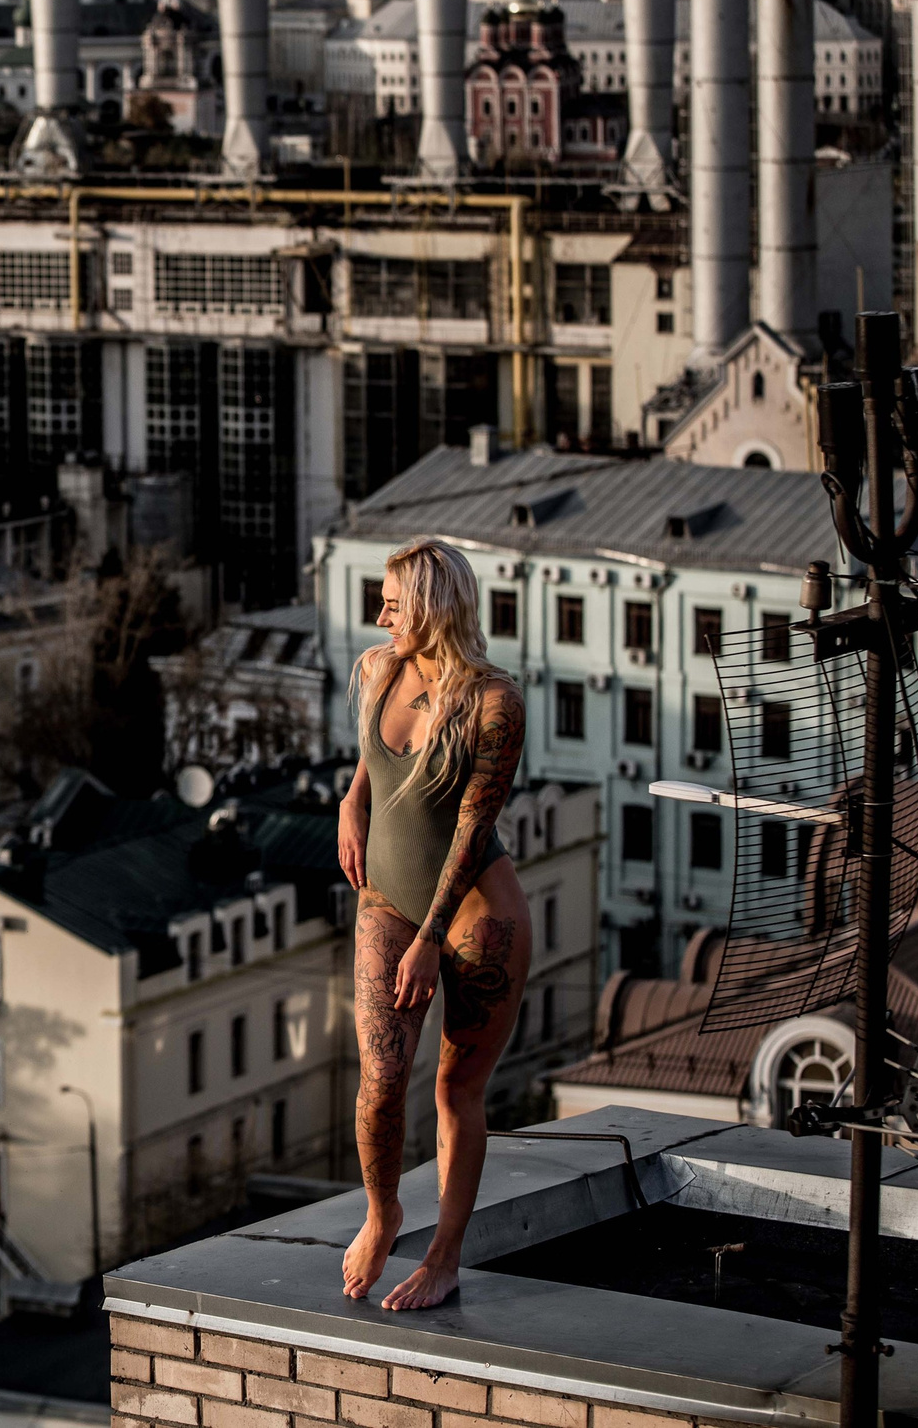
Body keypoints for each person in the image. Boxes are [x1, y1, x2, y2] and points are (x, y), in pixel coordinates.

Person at [334, 538, 530, 1310]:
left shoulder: (494, 703)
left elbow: (472, 832)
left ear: (434, 607)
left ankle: (445, 1258)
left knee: (456, 1089)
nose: (381, 616)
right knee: (381, 1080)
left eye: (394, 604)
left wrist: (428, 938)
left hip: (477, 918)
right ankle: (383, 1212)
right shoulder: (380, 668)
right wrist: (352, 798)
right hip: (386, 900)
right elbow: (375, 756)